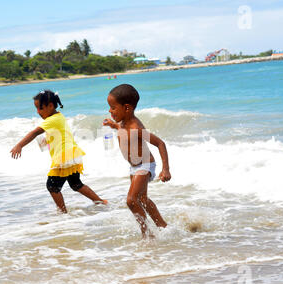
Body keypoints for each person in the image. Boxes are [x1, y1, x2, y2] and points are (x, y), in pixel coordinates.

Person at [10, 90, 107, 213]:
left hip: (64, 156)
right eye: (36, 108)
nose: (38, 112)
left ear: (51, 106)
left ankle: (62, 212)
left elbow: (34, 132)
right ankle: (101, 202)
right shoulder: (58, 117)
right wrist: (47, 140)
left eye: (40, 108)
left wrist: (19, 145)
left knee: (52, 186)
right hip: (71, 154)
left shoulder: (51, 120)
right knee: (76, 184)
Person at [103, 84, 171, 239]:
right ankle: (162, 225)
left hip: (145, 165)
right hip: (134, 167)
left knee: (131, 200)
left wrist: (165, 169)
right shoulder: (123, 122)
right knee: (142, 200)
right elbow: (121, 129)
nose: (109, 111)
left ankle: (146, 233)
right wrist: (112, 125)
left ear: (127, 108)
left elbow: (160, 143)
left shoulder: (136, 127)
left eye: (113, 107)